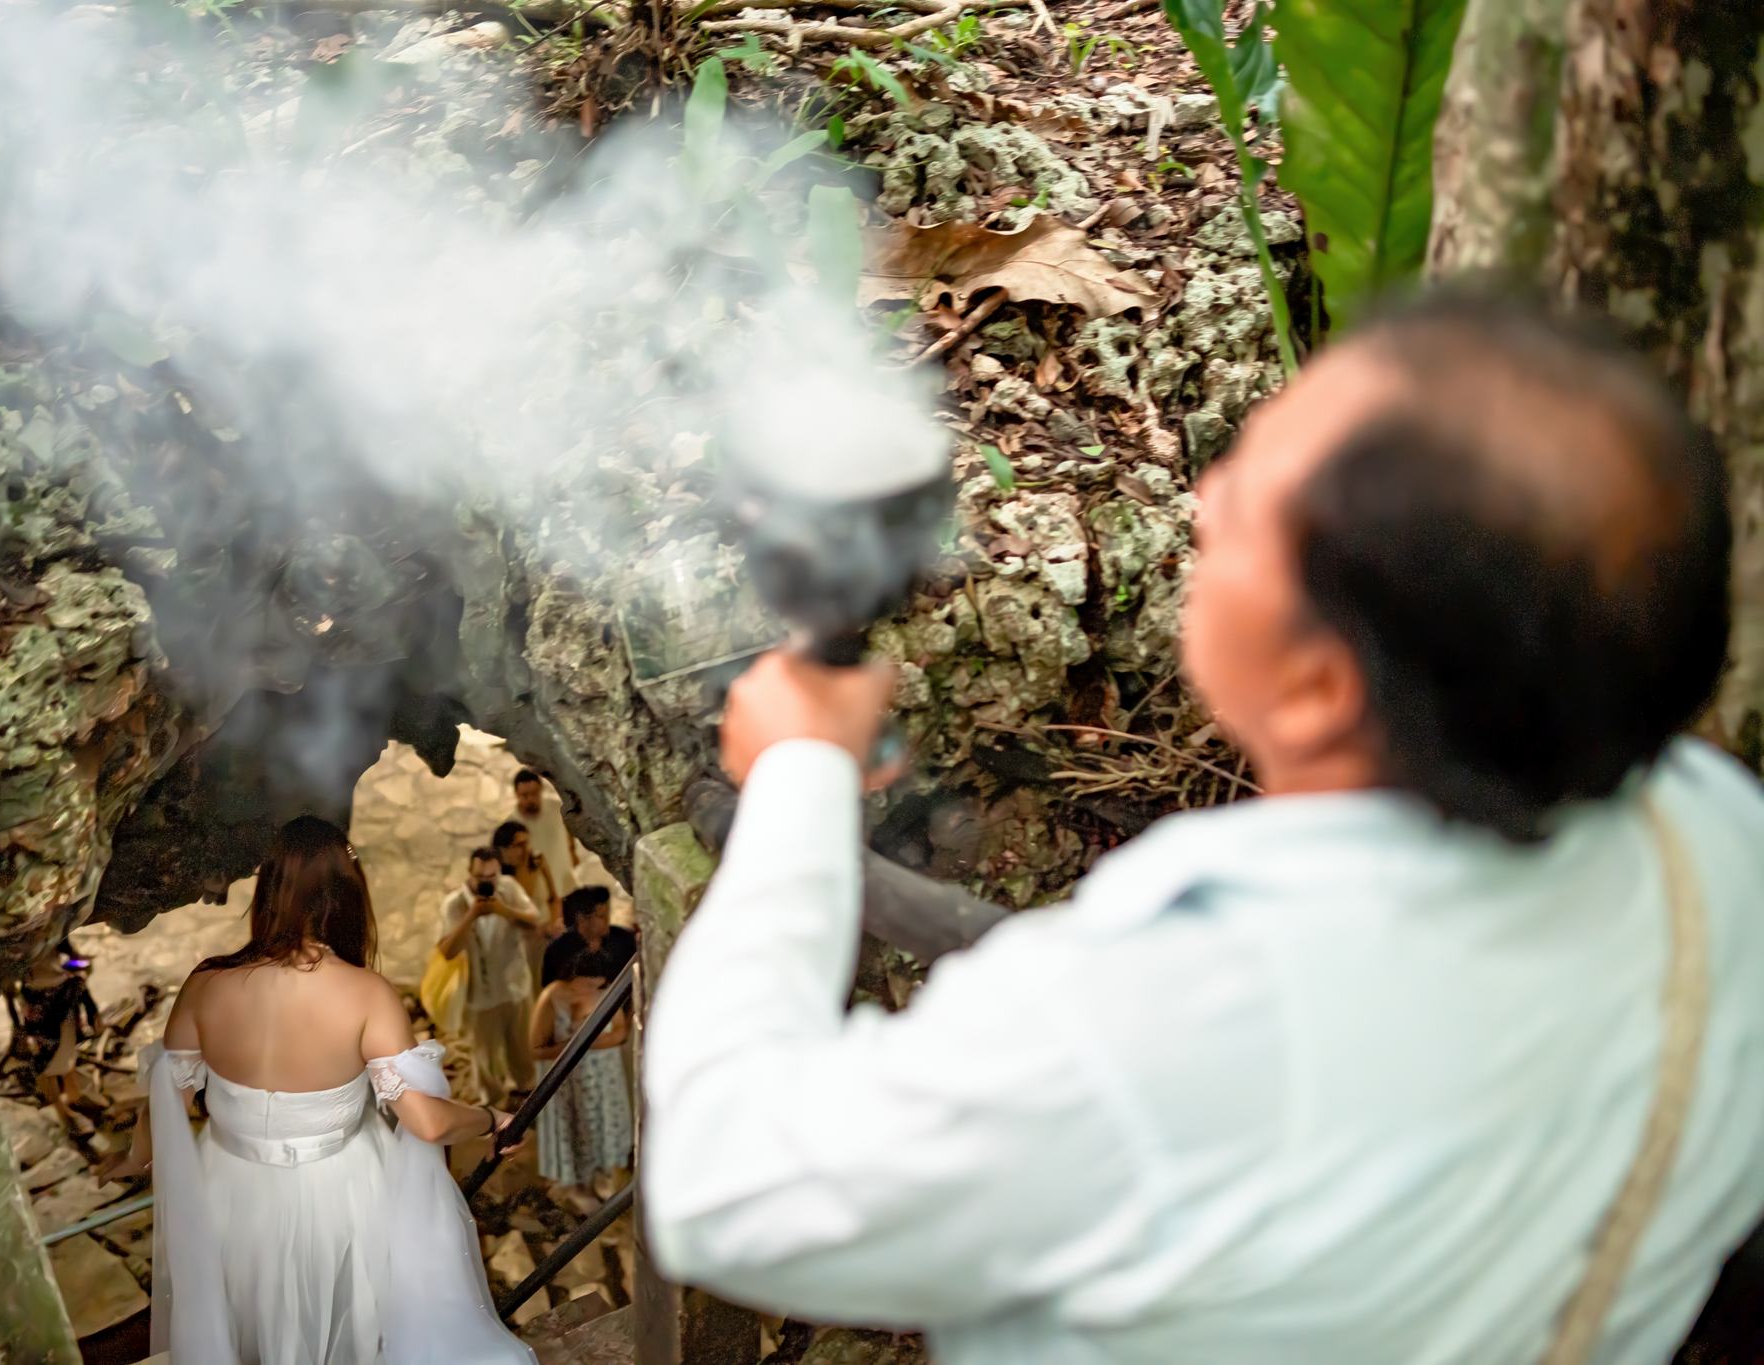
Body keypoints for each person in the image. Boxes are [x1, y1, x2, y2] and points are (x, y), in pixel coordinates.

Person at [640, 295, 1764, 1363]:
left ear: (1321, 688)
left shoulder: (1171, 1018)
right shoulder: (1721, 851)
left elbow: (721, 1181)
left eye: (1241, 506)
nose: (1199, 499)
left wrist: (795, 774)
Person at [100, 816, 534, 1364]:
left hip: (228, 1194)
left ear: (268, 892)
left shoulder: (206, 983)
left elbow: (167, 1100)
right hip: (341, 1198)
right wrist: (491, 1118)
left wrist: (135, 1159)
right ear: (348, 897)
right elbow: (424, 1120)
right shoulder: (366, 993)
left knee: (247, 1324)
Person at [530, 949, 635, 1213]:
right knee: (577, 1132)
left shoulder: (605, 993)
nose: (592, 990)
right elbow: (536, 1048)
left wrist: (591, 1042)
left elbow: (620, 1032)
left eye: (597, 985)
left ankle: (601, 1176)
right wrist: (577, 1045)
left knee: (602, 1129)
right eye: (587, 984)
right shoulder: (553, 997)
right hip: (570, 1086)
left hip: (604, 1081)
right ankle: (578, 1187)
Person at [437, 847, 542, 1107]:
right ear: (470, 874)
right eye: (481, 878)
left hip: (515, 986)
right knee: (485, 1063)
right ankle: (493, 1113)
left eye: (492, 877)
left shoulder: (509, 889)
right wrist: (471, 916)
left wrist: (503, 910)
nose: (487, 883)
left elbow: (534, 921)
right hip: (478, 995)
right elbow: (447, 951)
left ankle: (526, 1103)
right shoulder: (455, 904)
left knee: (523, 1053)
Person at [542, 886, 636, 988]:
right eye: (601, 915)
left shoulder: (624, 940)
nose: (607, 919)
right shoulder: (557, 951)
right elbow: (551, 992)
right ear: (582, 919)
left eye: (607, 913)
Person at [510, 768, 580, 898]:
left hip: (566, 884)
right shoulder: (511, 825)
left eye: (534, 793)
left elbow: (569, 832)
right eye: (525, 795)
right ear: (516, 794)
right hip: (538, 895)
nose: (530, 799)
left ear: (541, 789)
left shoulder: (557, 808)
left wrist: (572, 851)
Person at [493, 818, 561, 931]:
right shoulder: (498, 879)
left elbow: (553, 898)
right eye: (519, 845)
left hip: (548, 932)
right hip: (518, 938)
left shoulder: (538, 861)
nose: (526, 850)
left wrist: (553, 924)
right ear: (503, 850)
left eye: (527, 843)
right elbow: (508, 918)